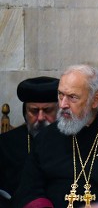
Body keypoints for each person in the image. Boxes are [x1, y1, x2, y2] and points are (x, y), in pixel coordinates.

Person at [13, 64, 98, 208]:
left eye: (72, 97)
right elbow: (28, 190)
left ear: (95, 99)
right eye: (60, 95)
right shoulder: (46, 137)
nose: (62, 105)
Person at [0, 76, 59, 206]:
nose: (41, 117)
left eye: (48, 110)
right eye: (34, 111)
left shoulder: (73, 141)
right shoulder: (4, 144)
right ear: (25, 113)